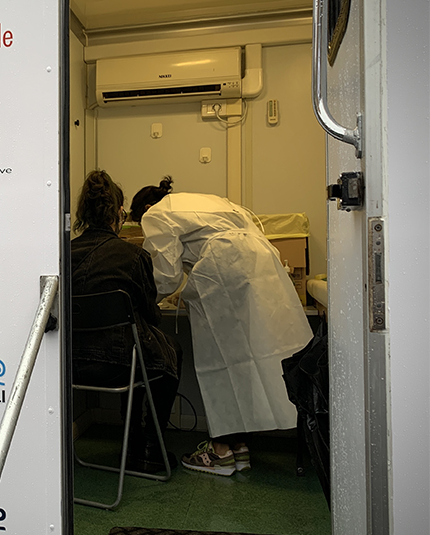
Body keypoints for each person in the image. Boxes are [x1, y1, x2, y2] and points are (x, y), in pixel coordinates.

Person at [131, 178, 313, 476]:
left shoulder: (156, 214)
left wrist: (146, 301)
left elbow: (165, 275)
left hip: (223, 270)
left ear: (146, 208)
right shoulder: (205, 201)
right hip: (260, 264)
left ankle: (220, 451)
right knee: (244, 361)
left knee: (219, 362)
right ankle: (239, 445)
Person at [71, 170, 181, 472]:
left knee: (137, 351)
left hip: (68, 367)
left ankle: (132, 437)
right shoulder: (133, 255)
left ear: (83, 214)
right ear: (119, 213)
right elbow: (152, 316)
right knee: (164, 352)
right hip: (116, 366)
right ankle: (149, 447)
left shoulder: (62, 255)